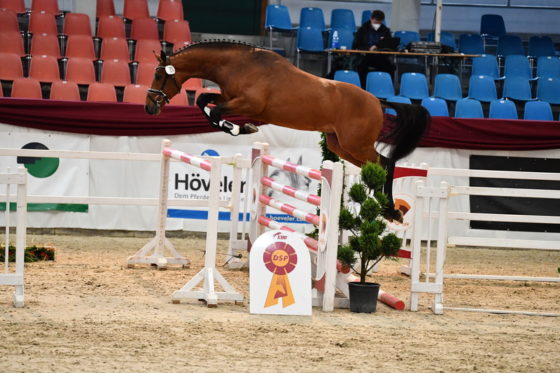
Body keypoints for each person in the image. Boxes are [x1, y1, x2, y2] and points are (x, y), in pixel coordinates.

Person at [352, 10, 396, 88]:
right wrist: (368, 48)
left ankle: (388, 89)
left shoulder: (385, 30)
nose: (377, 24)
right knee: (361, 67)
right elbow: (356, 44)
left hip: (380, 57)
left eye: (379, 22)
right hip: (365, 56)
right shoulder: (363, 29)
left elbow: (389, 45)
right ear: (371, 19)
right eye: (376, 22)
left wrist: (378, 46)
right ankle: (363, 89)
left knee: (391, 68)